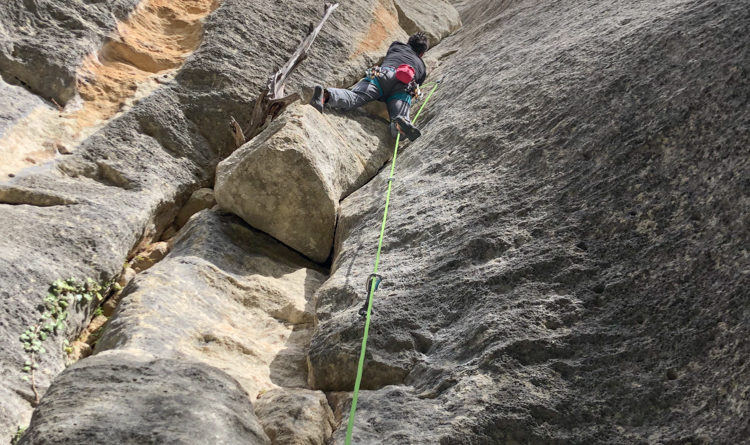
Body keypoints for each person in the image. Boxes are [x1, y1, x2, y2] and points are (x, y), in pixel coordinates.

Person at [309, 32, 429, 141]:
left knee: (354, 97)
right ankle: (399, 126)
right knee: (400, 116)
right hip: (404, 87)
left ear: (408, 42)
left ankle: (324, 96)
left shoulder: (396, 46)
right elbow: (415, 89)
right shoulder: (422, 68)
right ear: (422, 54)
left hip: (383, 75)